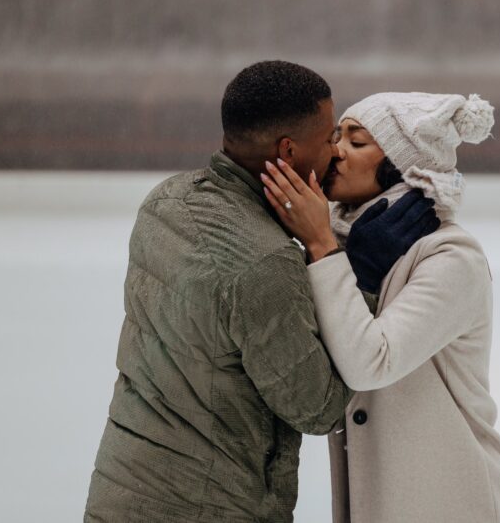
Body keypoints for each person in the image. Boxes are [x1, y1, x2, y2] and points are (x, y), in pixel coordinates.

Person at [83, 62, 434, 523]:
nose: (336, 152)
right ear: (288, 150)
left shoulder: (165, 201)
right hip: (209, 508)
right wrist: (359, 275)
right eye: (330, 137)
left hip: (121, 491)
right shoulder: (264, 263)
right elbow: (319, 407)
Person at [261, 92, 500, 523]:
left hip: (459, 500)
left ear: (403, 164)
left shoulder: (450, 257)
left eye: (357, 141)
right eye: (337, 137)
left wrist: (323, 247)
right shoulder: (345, 246)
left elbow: (371, 362)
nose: (337, 151)